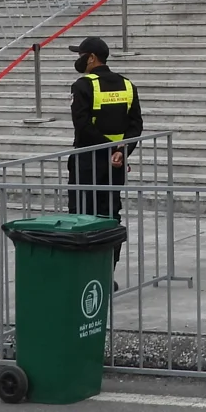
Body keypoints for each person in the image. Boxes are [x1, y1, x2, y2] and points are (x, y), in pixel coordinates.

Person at [67, 36, 140, 277]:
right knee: (110, 217)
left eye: (81, 55)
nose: (78, 60)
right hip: (115, 164)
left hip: (87, 163)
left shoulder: (82, 85)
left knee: (82, 217)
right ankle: (106, 273)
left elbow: (82, 126)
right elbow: (136, 125)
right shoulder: (127, 85)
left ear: (91, 58)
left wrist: (110, 149)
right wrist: (121, 151)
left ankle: (86, 275)